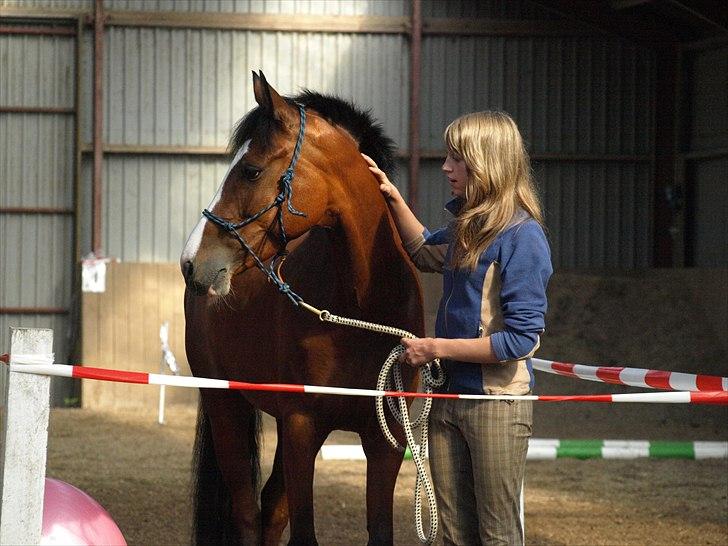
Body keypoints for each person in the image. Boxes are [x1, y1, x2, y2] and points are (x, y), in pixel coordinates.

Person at [362, 110, 552, 546]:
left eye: (457, 159)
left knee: (498, 534)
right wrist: (391, 196)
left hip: (495, 405)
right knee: (451, 535)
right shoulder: (467, 227)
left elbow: (521, 339)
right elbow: (426, 252)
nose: (446, 167)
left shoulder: (524, 237)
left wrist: (436, 349)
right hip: (446, 398)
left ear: (487, 163)